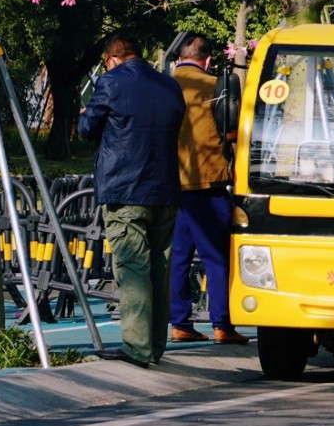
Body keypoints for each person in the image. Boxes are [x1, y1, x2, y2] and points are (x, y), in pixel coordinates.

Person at [79, 35, 184, 369]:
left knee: (132, 267)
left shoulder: (110, 82)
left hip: (125, 189)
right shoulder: (170, 86)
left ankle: (136, 346)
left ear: (112, 58)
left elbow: (87, 129)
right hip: (164, 188)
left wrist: (85, 114)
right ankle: (155, 344)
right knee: (159, 266)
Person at [167, 34, 246, 348]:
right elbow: (230, 131)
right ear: (208, 60)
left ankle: (179, 323)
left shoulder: (166, 85)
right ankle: (222, 324)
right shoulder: (216, 86)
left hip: (173, 183)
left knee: (178, 258)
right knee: (217, 258)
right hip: (208, 183)